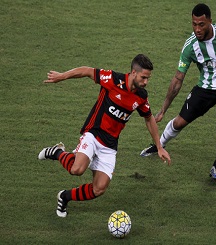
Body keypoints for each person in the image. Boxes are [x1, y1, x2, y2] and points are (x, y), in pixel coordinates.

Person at [38, 54, 171, 218]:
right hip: (93, 134)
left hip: (109, 145)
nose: (146, 82)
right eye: (144, 77)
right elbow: (87, 71)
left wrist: (159, 146)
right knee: (77, 169)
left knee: (99, 188)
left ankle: (64, 196)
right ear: (133, 73)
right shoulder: (113, 79)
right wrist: (61, 76)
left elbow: (149, 119)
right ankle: (57, 152)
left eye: (148, 78)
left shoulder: (141, 96)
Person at [140, 3, 216, 183]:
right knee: (178, 123)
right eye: (194, 24)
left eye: (201, 24)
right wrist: (163, 109)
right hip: (205, 88)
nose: (197, 29)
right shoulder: (191, 46)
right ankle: (158, 145)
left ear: (210, 22)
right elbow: (178, 80)